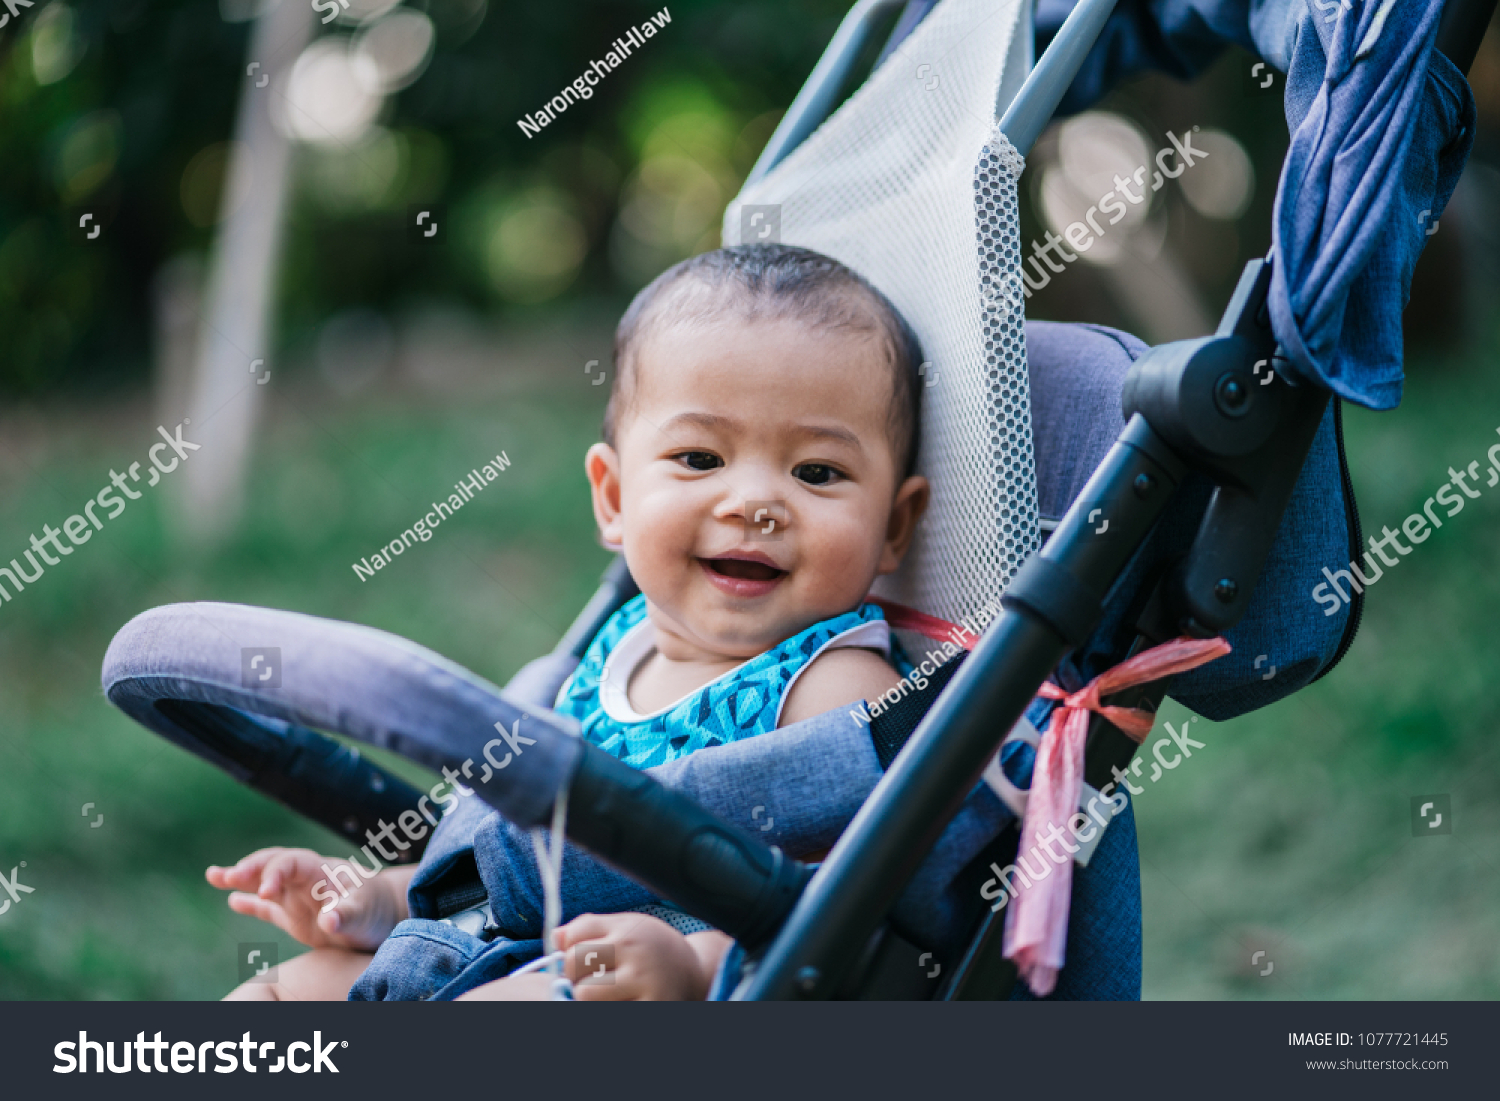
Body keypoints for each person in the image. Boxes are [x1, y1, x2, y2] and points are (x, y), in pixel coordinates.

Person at [210, 242, 934, 1001]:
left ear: (894, 523)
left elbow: (862, 897)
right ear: (614, 497)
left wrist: (696, 965)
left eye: (816, 472)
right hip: (496, 948)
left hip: (638, 987)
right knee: (278, 992)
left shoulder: (839, 690)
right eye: (698, 458)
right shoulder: (609, 653)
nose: (753, 502)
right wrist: (381, 897)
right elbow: (506, 848)